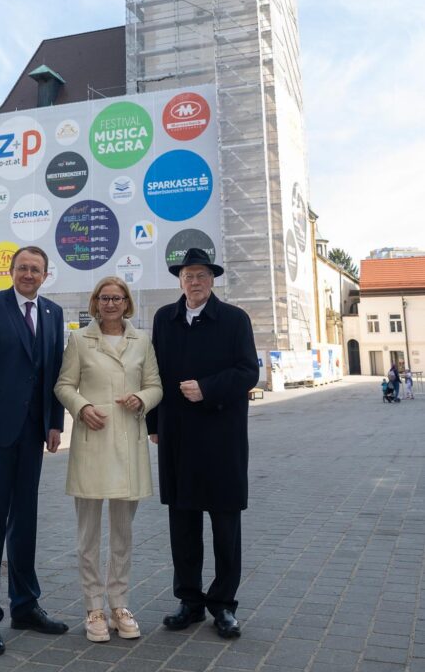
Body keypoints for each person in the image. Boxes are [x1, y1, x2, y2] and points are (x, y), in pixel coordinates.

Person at [146, 247, 259, 640]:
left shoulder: (233, 319)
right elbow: (153, 372)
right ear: (180, 280)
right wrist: (153, 424)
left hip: (221, 437)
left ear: (212, 280)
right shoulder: (165, 318)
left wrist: (207, 389)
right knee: (183, 524)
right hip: (177, 436)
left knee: (226, 525)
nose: (194, 282)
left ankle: (224, 605)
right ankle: (189, 602)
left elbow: (249, 371)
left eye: (201, 275)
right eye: (188, 275)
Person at [0, 246, 68, 656]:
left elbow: (53, 371)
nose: (29, 274)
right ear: (11, 271)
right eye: (23, 268)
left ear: (46, 275)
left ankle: (25, 605)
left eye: (36, 269)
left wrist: (55, 422)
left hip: (32, 435)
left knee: (25, 520)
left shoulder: (52, 314)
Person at [55, 277, 162, 642]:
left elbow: (156, 384)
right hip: (93, 441)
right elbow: (63, 385)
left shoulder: (142, 340)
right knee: (88, 534)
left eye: (117, 298)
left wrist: (143, 399)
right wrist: (81, 406)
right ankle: (93, 608)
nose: (111, 303)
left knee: (123, 533)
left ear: (127, 302)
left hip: (128, 445)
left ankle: (119, 604)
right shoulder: (79, 340)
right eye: (105, 298)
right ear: (95, 302)